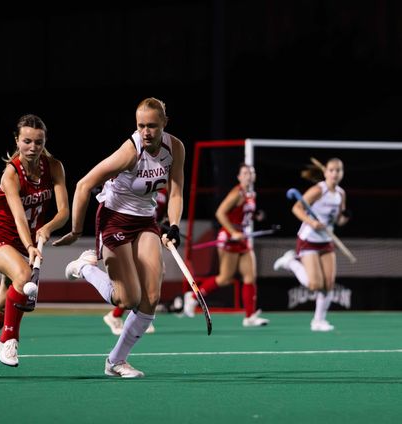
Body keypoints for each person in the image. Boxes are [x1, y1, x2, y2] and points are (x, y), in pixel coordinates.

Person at [53, 97, 185, 378]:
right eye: (141, 125)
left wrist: (173, 225)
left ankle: (116, 361)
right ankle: (85, 268)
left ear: (165, 123)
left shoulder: (175, 148)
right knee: (127, 299)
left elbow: (175, 192)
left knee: (151, 297)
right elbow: (84, 185)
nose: (146, 132)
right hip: (114, 220)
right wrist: (76, 232)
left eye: (152, 125)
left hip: (146, 220)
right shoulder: (129, 151)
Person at [0, 114, 69, 378]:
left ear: (45, 142)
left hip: (26, 244)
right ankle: (9, 340)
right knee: (24, 275)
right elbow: (19, 217)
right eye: (27, 141)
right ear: (17, 141)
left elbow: (64, 212)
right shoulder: (11, 174)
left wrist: (48, 228)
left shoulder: (54, 167)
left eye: (38, 142)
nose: (33, 147)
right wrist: (30, 245)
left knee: (3, 305)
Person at [183, 163, 269, 327]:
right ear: (239, 177)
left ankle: (250, 317)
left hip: (242, 238)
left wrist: (256, 216)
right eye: (245, 173)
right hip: (229, 238)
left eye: (251, 173)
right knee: (225, 278)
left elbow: (242, 214)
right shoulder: (237, 193)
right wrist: (233, 232)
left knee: (250, 277)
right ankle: (193, 297)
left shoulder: (251, 194)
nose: (248, 176)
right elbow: (220, 213)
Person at [272, 157, 349, 332]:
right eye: (332, 170)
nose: (335, 173)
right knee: (315, 285)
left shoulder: (341, 194)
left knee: (329, 284)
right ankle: (290, 262)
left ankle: (318, 321)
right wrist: (312, 222)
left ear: (342, 173)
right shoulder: (318, 190)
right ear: (325, 172)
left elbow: (338, 220)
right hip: (309, 239)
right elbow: (296, 208)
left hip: (326, 241)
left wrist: (344, 218)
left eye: (338, 170)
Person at [102, 187, 167, 335]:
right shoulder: (139, 183)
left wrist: (166, 228)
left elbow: (160, 216)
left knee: (158, 272)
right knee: (136, 280)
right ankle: (122, 315)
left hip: (146, 232)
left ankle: (123, 314)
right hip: (126, 231)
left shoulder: (165, 192)